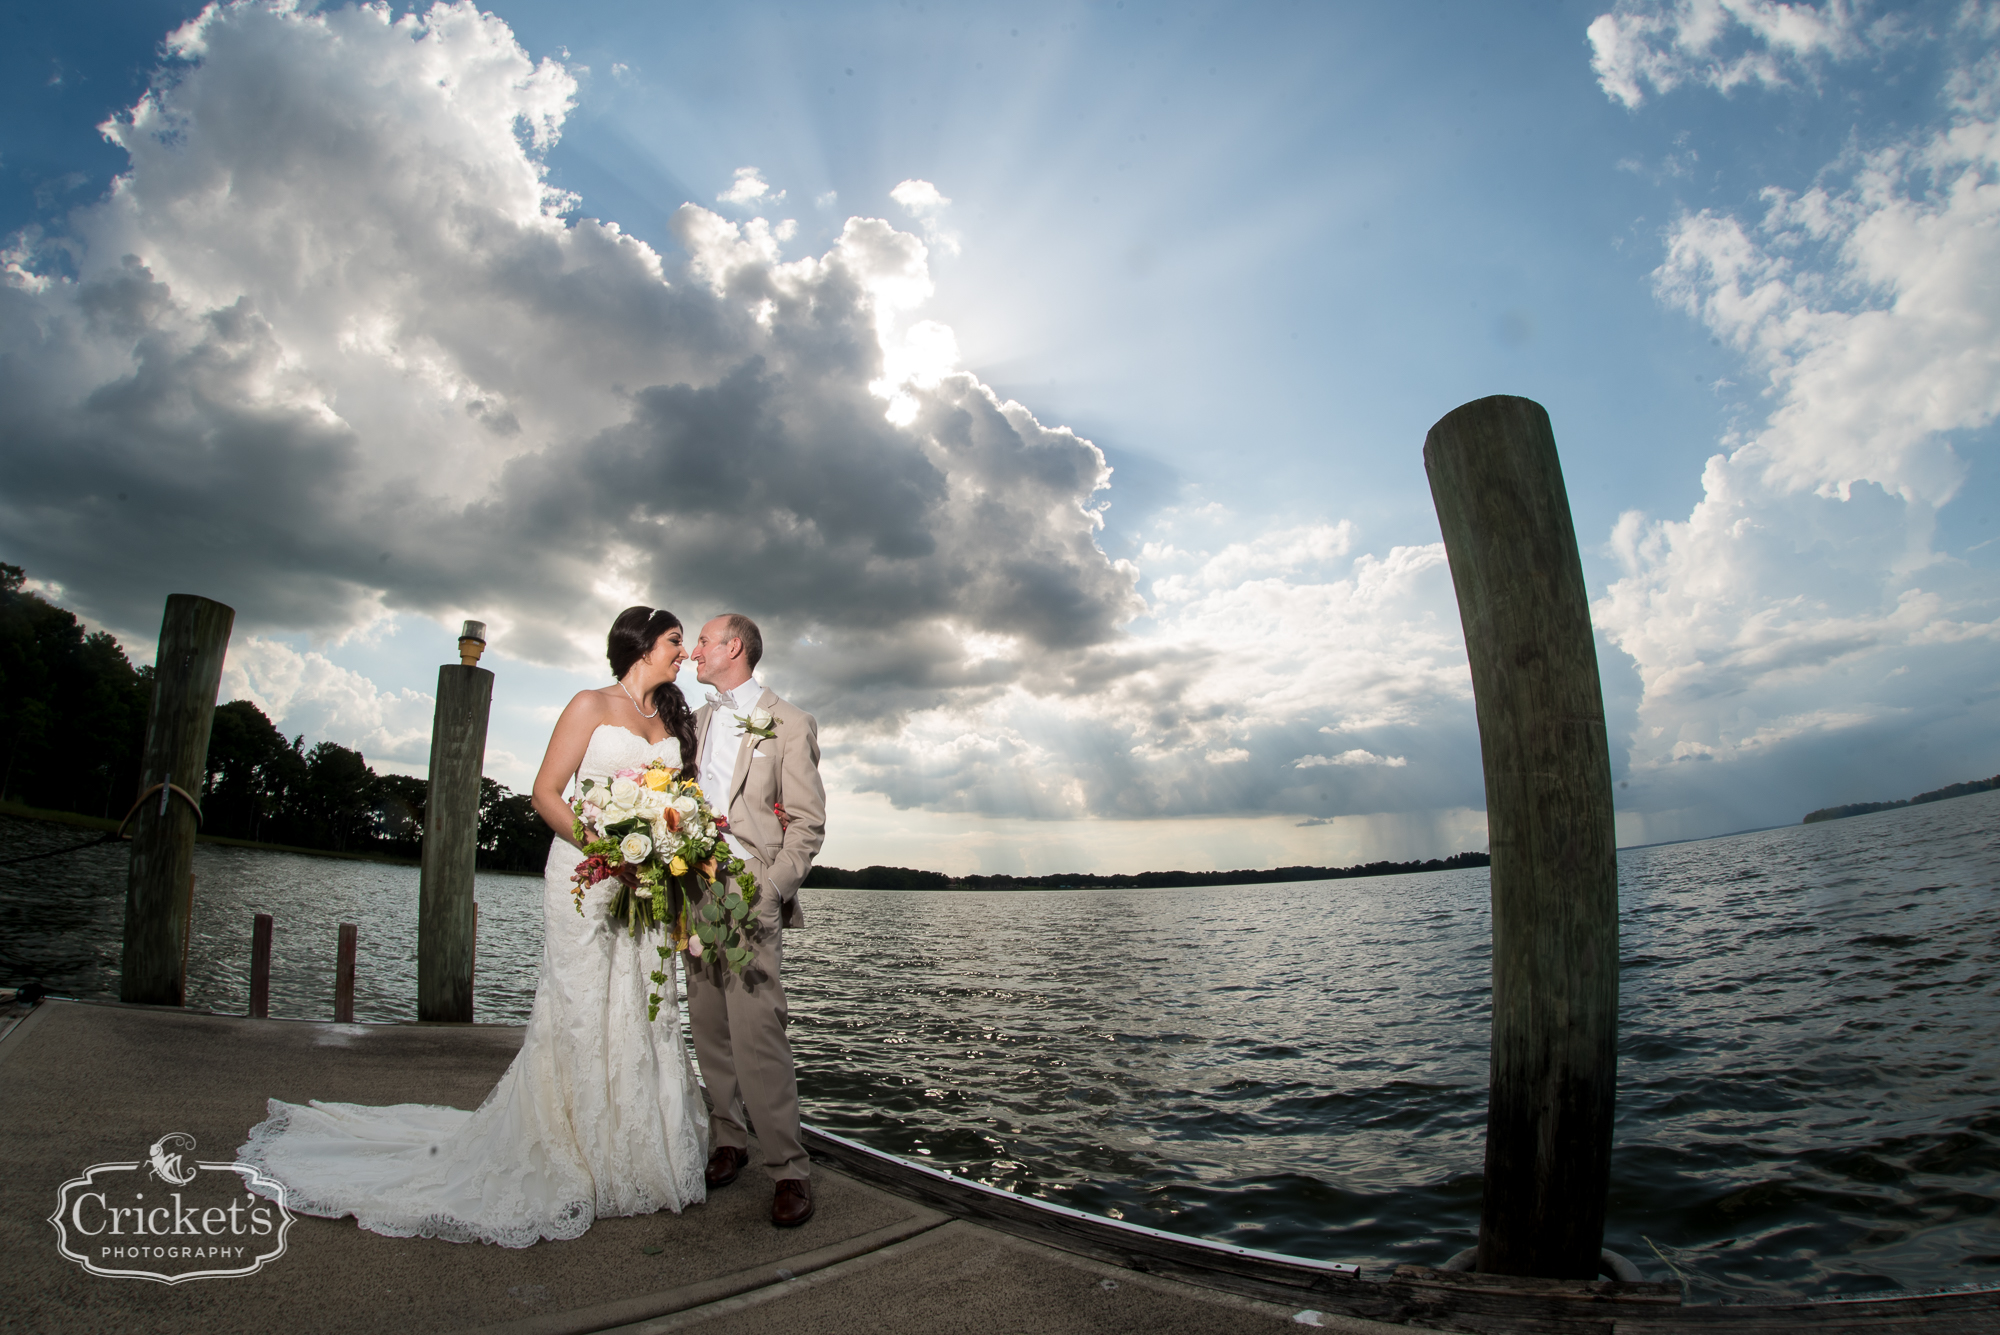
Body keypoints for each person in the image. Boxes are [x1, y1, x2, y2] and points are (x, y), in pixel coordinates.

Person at [235, 607, 710, 1246]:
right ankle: (576, 1152)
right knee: (580, 1008)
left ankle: (640, 1155)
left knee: (643, 1009)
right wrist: (607, 854)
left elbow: (680, 803)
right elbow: (546, 794)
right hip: (586, 877)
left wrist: (661, 850)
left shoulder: (671, 717)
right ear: (641, 643)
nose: (683, 652)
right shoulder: (589, 704)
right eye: (676, 641)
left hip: (650, 881)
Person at [686, 612, 826, 1227]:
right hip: (690, 890)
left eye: (703, 641)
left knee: (758, 1032)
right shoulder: (692, 722)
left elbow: (808, 822)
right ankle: (728, 1140)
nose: (693, 651)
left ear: (733, 648)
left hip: (749, 891)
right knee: (708, 1026)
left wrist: (769, 890)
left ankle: (788, 1169)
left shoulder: (789, 722)